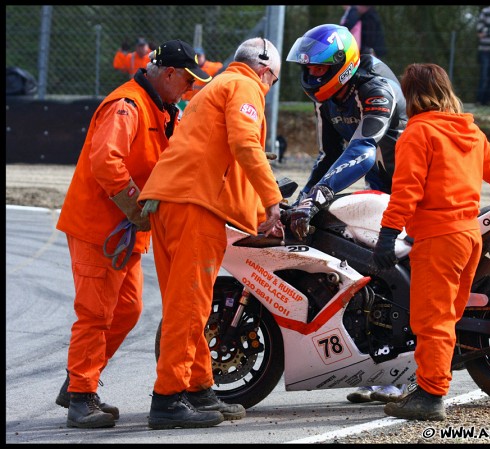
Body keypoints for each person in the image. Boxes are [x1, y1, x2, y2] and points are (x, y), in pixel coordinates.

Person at [54, 39, 211, 429]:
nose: (191, 89)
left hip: (123, 232)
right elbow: (106, 161)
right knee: (96, 313)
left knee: (127, 309)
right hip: (100, 228)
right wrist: (137, 208)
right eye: (188, 81)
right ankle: (80, 396)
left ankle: (79, 381)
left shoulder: (161, 107)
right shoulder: (127, 105)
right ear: (170, 74)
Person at [138, 37, 284, 430]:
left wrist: (257, 213)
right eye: (271, 81)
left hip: (170, 201)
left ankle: (199, 387)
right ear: (265, 71)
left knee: (185, 304)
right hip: (193, 207)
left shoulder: (214, 87)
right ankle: (168, 399)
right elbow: (244, 144)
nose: (268, 89)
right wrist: (273, 202)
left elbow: (223, 162)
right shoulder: (246, 85)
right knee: (190, 307)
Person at [373, 62, 490, 421]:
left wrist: (388, 234)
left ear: (411, 95)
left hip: (438, 238)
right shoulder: (467, 129)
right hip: (469, 236)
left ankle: (430, 396)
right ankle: (431, 385)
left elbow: (407, 190)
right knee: (447, 317)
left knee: (432, 320)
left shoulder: (417, 133)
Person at [285, 23, 407, 404]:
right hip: (379, 187)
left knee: (403, 268)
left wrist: (320, 194)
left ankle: (408, 373)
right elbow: (328, 156)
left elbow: (364, 148)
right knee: (369, 268)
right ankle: (383, 366)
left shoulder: (376, 88)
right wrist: (304, 200)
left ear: (343, 64)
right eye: (307, 69)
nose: (311, 76)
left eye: (319, 69)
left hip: (415, 186)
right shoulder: (328, 97)